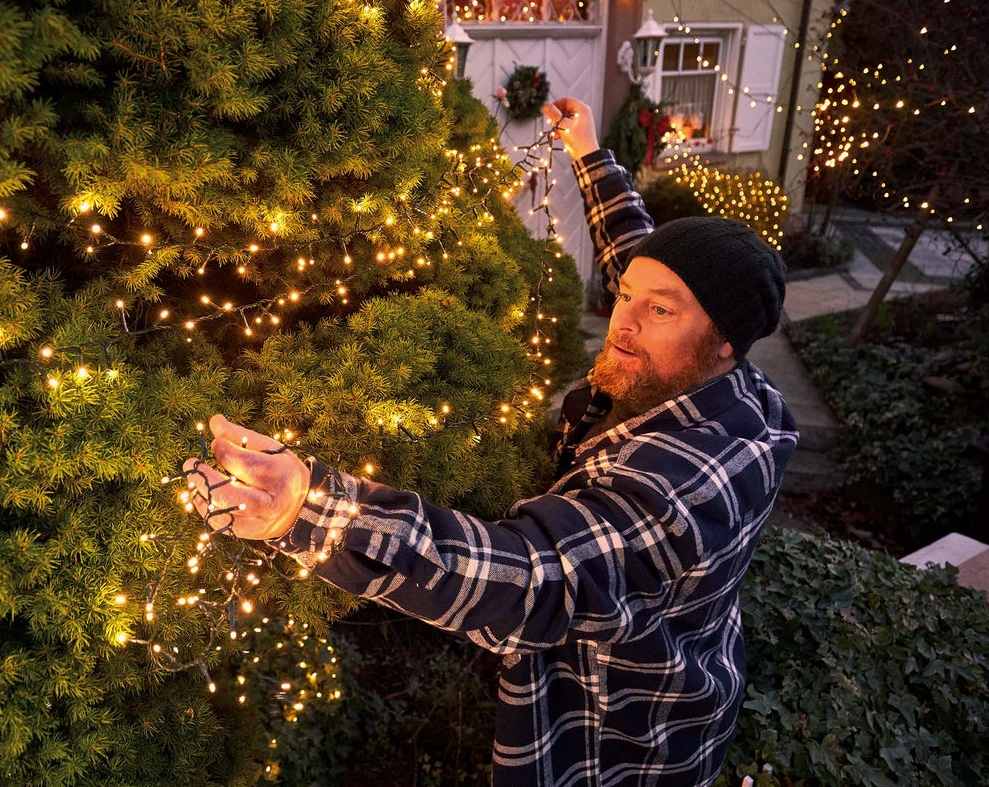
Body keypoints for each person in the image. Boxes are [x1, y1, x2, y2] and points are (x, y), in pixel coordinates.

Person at [184, 96, 798, 786]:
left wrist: (314, 509)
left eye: (658, 310)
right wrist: (591, 155)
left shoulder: (696, 472)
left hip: (621, 736)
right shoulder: (698, 365)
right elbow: (637, 248)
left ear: (722, 343)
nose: (623, 321)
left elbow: (536, 576)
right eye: (625, 294)